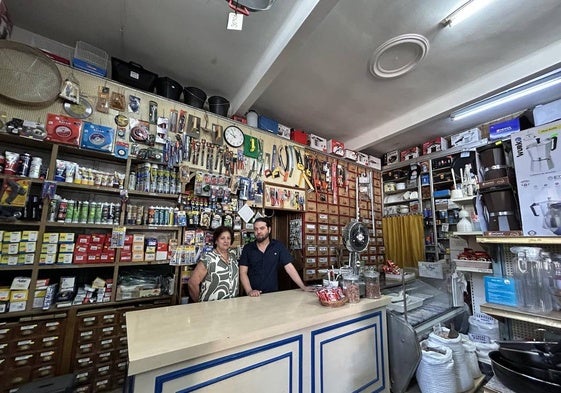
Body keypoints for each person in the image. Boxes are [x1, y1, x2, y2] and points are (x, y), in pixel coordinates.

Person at [239, 217, 312, 297]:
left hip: (272, 294)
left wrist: (303, 287)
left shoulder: (278, 246)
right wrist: (249, 291)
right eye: (256, 229)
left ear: (269, 229)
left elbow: (289, 268)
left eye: (262, 228)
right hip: (252, 295)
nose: (258, 231)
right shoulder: (247, 248)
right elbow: (243, 272)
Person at [188, 226, 239, 302]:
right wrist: (198, 304)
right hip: (210, 307)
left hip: (232, 305)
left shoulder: (233, 257)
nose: (226, 241)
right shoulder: (208, 258)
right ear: (216, 241)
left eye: (228, 238)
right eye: (222, 238)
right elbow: (192, 283)